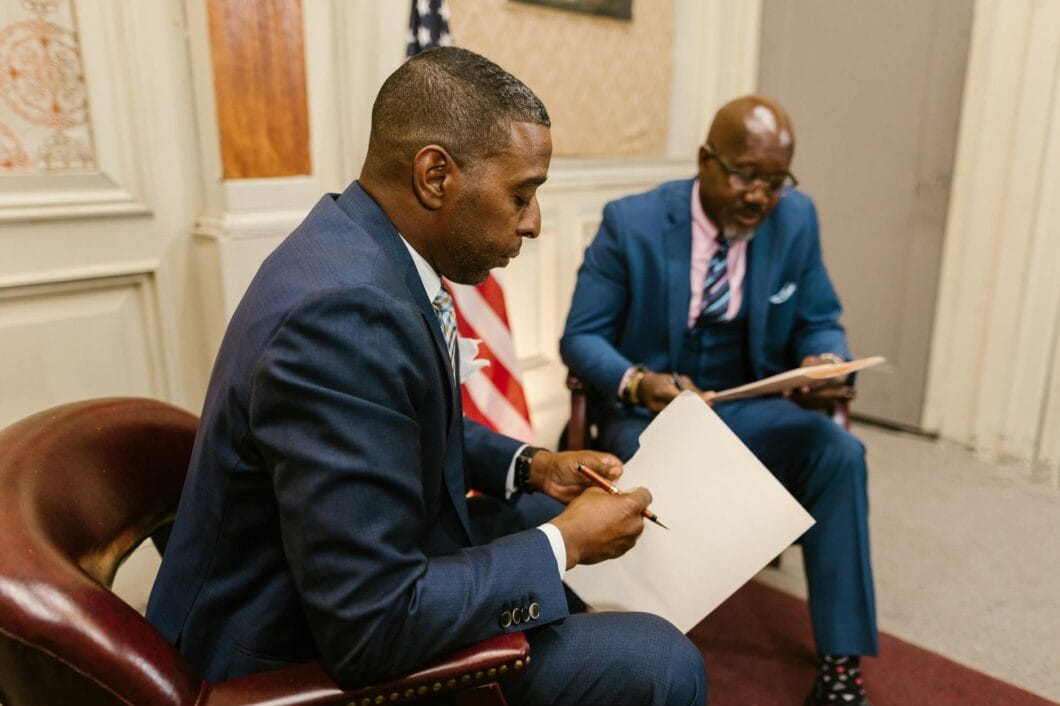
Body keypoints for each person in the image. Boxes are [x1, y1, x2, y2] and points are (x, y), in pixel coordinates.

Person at [145, 47, 705, 705]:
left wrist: (532, 464)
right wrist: (565, 545)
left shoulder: (357, 241)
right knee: (664, 662)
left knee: (533, 513)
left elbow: (397, 419)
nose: (533, 222)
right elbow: (370, 625)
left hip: (335, 575)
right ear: (436, 174)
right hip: (278, 657)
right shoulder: (345, 316)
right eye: (521, 193)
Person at [560, 94, 877, 706]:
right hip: (652, 410)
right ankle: (631, 648)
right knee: (646, 474)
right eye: (745, 174)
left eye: (775, 181)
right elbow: (581, 337)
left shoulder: (796, 219)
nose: (760, 195)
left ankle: (841, 663)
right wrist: (640, 382)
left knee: (839, 451)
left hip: (744, 401)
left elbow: (819, 318)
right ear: (706, 159)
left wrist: (825, 358)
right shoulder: (633, 223)